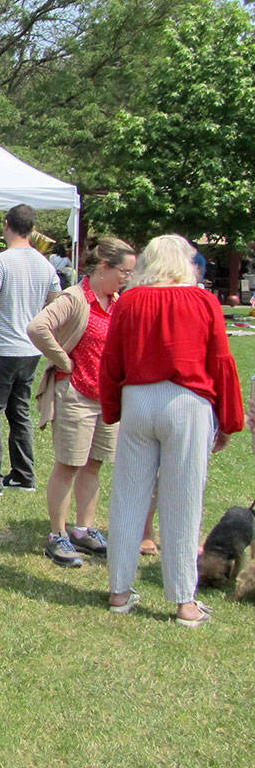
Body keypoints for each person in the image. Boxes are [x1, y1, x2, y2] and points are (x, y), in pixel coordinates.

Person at [100, 234, 243, 625]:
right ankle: (184, 600)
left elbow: (112, 357)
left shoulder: (128, 301)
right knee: (183, 502)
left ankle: (119, 591)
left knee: (129, 496)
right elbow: (221, 360)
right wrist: (229, 420)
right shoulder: (202, 301)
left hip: (138, 399)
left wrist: (112, 407)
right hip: (187, 400)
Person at [28, 237, 136, 567]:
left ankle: (84, 529)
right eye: (124, 271)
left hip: (106, 398)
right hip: (75, 394)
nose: (127, 278)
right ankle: (57, 535)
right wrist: (63, 359)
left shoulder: (116, 301)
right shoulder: (75, 298)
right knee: (69, 464)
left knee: (95, 464)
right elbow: (37, 327)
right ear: (103, 267)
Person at [0, 204, 60, 496]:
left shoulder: (1, 262)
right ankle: (24, 475)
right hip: (30, 349)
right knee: (19, 413)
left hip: (0, 347)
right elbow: (55, 301)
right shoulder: (45, 264)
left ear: (7, 224)